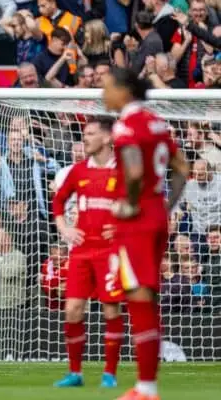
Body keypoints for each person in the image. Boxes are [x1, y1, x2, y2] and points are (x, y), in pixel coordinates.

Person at [102, 67, 190, 400]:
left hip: (136, 220)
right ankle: (147, 386)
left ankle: (146, 389)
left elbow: (135, 170)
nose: (103, 94)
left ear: (124, 92)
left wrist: (131, 204)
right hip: (156, 216)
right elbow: (182, 169)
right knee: (148, 300)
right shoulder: (158, 122)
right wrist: (164, 208)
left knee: (138, 298)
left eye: (107, 87)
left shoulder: (126, 126)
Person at [51, 117, 125, 388]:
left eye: (90, 134)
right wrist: (65, 228)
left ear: (107, 138)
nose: (85, 139)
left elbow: (141, 206)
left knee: (111, 311)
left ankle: (109, 374)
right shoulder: (79, 170)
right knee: (72, 310)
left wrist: (122, 228)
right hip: (82, 250)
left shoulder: (125, 171)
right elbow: (58, 201)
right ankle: (75, 373)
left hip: (111, 253)